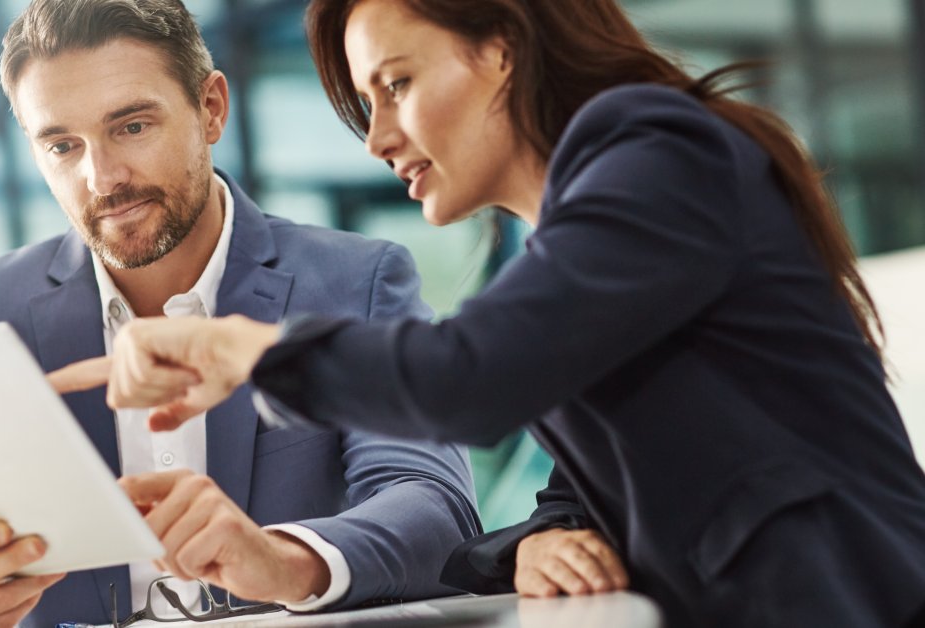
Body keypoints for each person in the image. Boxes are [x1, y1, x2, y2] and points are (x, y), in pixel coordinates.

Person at [48, 0, 925, 626]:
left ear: (502, 47)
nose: (378, 137)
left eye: (395, 85)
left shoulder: (657, 150)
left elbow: (470, 379)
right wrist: (543, 542)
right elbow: (576, 486)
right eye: (368, 102)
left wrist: (240, 347)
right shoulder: (584, 230)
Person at [0, 1, 482, 627]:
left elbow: (435, 507)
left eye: (131, 126)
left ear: (211, 108)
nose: (102, 177)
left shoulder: (352, 283)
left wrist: (284, 561)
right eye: (62, 146)